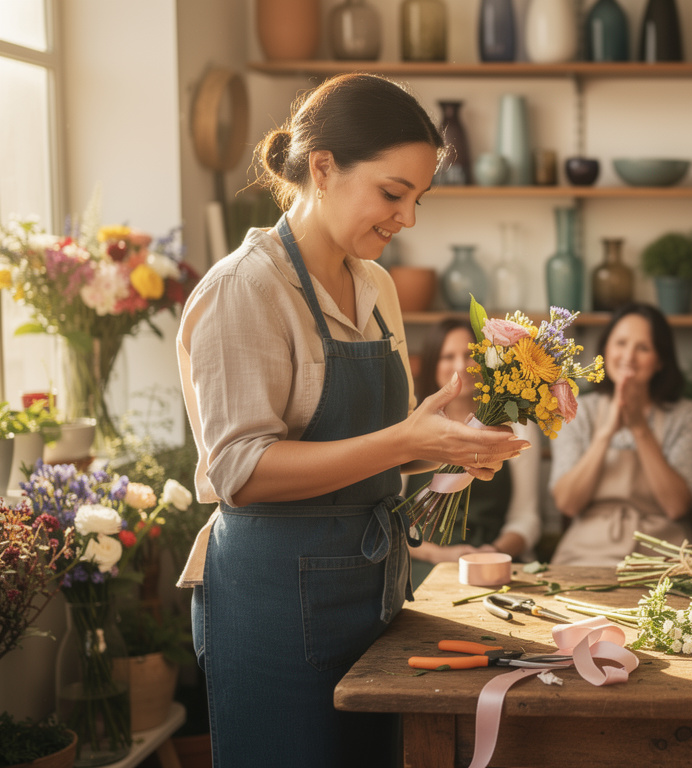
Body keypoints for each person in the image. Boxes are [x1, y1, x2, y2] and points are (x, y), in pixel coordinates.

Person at [174, 74, 528, 768]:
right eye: (393, 194)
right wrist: (408, 438)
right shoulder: (246, 288)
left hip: (374, 592)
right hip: (272, 604)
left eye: (417, 199)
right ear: (323, 166)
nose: (409, 218)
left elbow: (370, 450)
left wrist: (447, 442)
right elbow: (241, 472)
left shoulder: (375, 285)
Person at [549, 303, 692, 565]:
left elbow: (677, 506)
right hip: (586, 554)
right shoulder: (575, 409)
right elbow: (567, 504)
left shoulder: (688, 416)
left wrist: (639, 427)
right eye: (621, 343)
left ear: (660, 360)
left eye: (643, 348)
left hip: (664, 555)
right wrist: (604, 434)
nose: (629, 356)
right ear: (605, 350)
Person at [406, 319, 543, 587]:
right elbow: (391, 521)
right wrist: (440, 555)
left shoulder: (517, 428)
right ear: (432, 365)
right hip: (424, 564)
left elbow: (527, 518)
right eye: (448, 356)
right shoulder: (412, 427)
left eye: (470, 355)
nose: (461, 366)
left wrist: (492, 554)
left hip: (495, 561)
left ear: (487, 362)